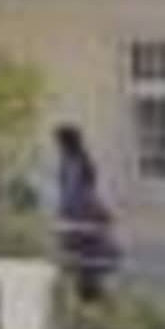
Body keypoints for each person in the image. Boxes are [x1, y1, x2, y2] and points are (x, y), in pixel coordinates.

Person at [53, 124, 117, 301]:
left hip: (78, 212)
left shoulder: (74, 162)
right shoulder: (77, 160)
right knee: (83, 256)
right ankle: (89, 291)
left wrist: (66, 213)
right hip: (80, 211)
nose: (57, 147)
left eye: (59, 142)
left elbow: (73, 190)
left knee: (83, 255)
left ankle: (89, 291)